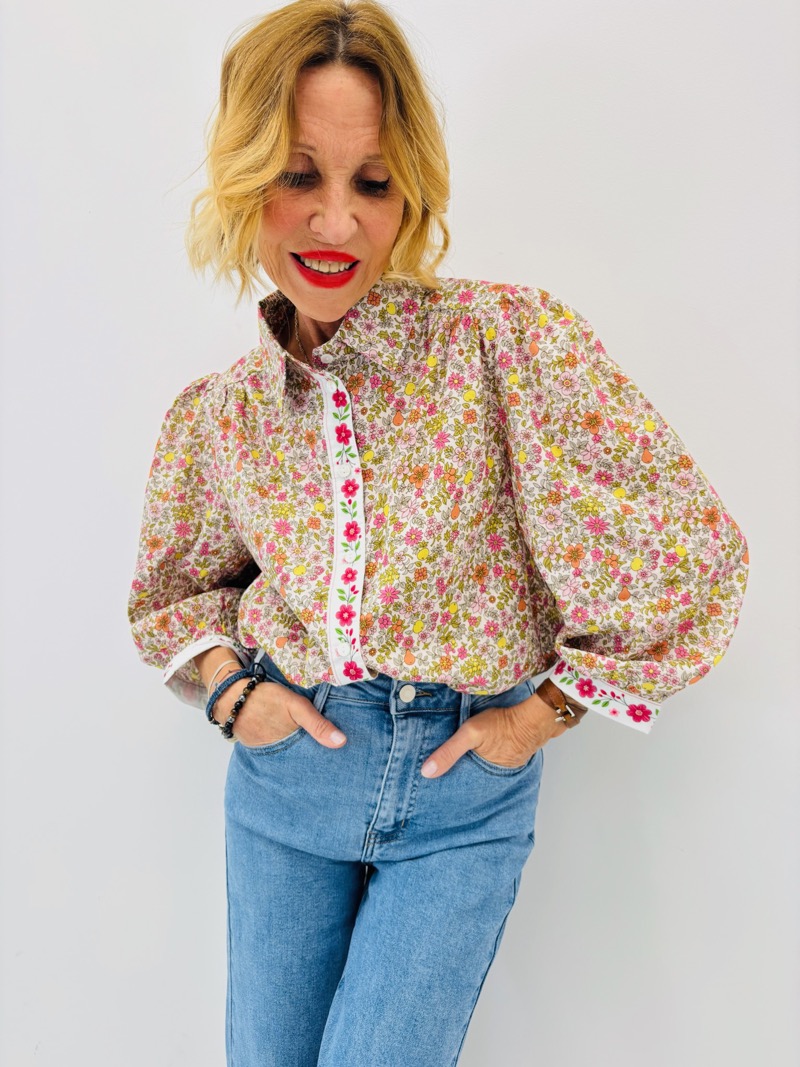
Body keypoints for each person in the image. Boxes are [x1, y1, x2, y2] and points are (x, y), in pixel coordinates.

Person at [127, 1, 750, 1063]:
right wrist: (235, 694)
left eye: (371, 182)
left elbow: (687, 556)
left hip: (462, 793)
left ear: (409, 190)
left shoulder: (505, 344)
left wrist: (539, 715)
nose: (335, 222)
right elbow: (175, 597)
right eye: (298, 175)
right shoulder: (222, 413)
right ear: (243, 179)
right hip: (284, 788)